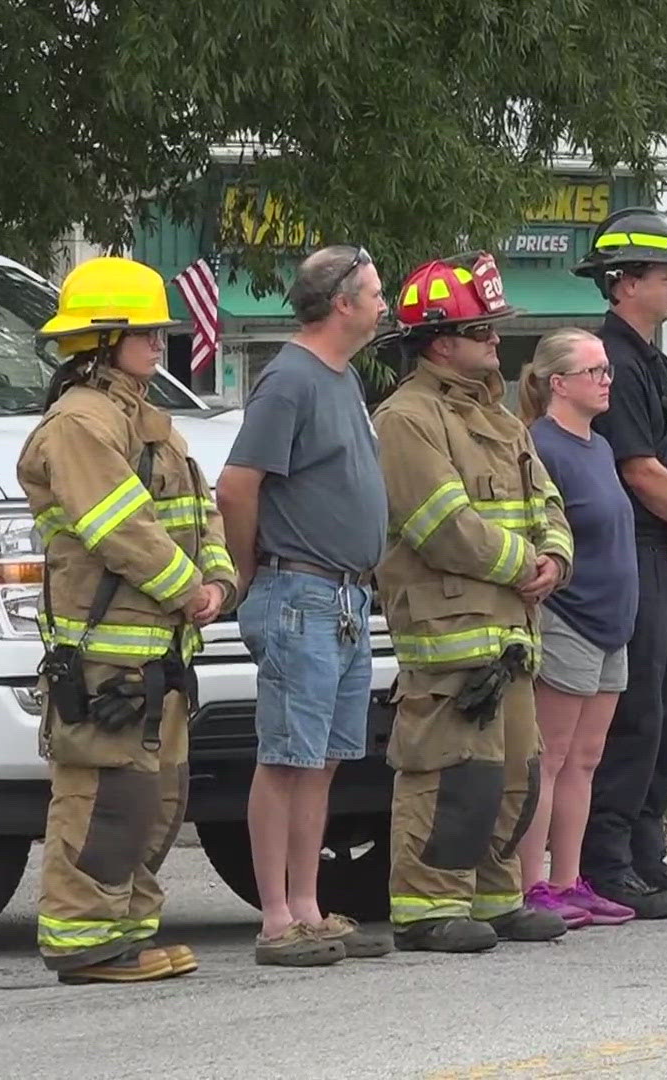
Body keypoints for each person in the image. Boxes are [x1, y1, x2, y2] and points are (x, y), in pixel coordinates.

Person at [17, 256, 237, 983]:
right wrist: (188, 589)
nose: (158, 340)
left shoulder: (147, 420)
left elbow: (198, 511)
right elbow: (119, 526)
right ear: (104, 337)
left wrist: (219, 578)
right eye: (144, 330)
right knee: (104, 795)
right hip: (106, 649)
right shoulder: (80, 424)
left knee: (152, 798)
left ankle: (128, 930)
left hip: (157, 649)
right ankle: (83, 940)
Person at [371, 250, 576, 953]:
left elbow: (546, 498)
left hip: (513, 635)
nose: (495, 341)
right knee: (450, 773)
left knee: (511, 774)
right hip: (449, 631)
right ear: (438, 341)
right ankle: (427, 908)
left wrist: (556, 556)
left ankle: (495, 896)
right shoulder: (408, 419)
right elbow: (439, 524)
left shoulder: (500, 419)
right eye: (482, 330)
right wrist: (526, 564)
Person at [215, 245, 395, 967]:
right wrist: (251, 574)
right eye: (376, 293)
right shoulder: (288, 380)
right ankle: (276, 918)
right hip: (299, 594)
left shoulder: (342, 376)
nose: (385, 304)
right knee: (287, 758)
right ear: (342, 302)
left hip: (344, 597)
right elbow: (237, 485)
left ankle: (309, 907)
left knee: (321, 760)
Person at [571, 207, 667, 920]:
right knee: (632, 716)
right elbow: (638, 468)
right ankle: (606, 862)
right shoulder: (610, 359)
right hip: (635, 554)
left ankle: (646, 854)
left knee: (666, 714)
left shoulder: (656, 361)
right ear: (624, 281)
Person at [512, 329, 642, 930]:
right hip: (569, 619)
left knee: (586, 759)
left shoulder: (598, 446)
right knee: (552, 755)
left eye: (607, 370)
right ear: (557, 383)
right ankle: (532, 882)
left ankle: (570, 878)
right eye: (593, 371)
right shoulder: (541, 446)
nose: (606, 379)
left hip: (613, 623)